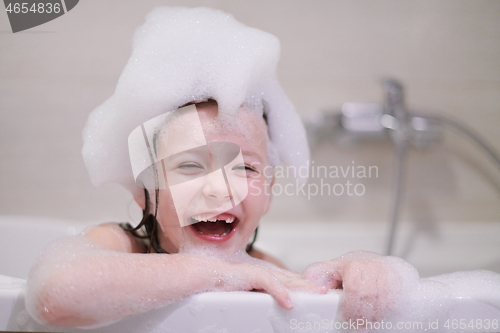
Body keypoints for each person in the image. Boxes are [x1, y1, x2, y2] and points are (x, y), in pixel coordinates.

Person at [25, 6, 421, 329]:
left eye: (246, 169)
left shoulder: (263, 270)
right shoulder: (123, 246)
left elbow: (317, 310)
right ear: (142, 189)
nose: (219, 190)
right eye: (190, 166)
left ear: (268, 190)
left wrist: (355, 273)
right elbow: (54, 294)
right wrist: (215, 272)